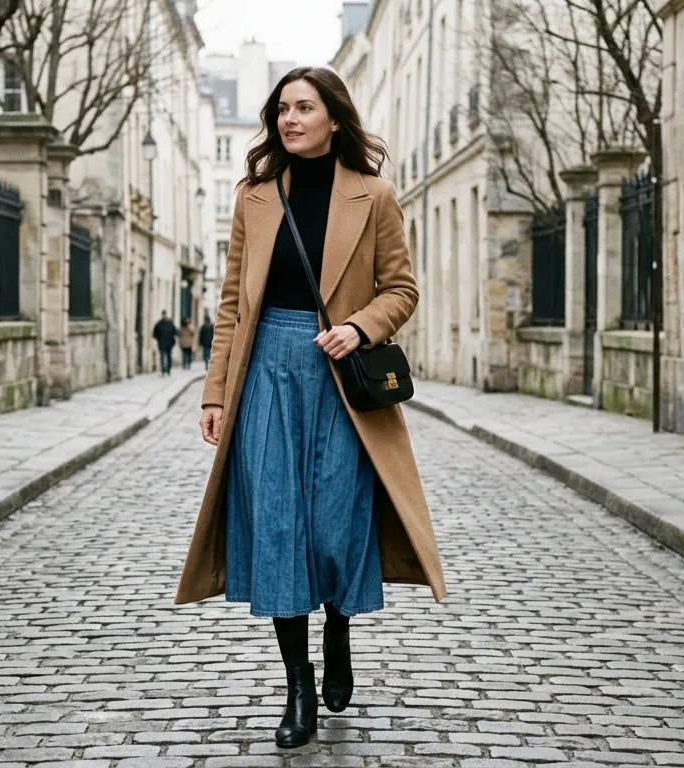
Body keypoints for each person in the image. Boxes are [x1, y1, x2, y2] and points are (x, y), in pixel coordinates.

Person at [175, 66, 445, 749]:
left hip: (340, 379)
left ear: (333, 116)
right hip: (267, 369)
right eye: (282, 109)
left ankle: (339, 627)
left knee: (335, 521)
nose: (290, 119)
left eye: (304, 107)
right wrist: (214, 393)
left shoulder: (375, 195)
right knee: (277, 526)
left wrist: (360, 326)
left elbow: (402, 290)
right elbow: (233, 305)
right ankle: (297, 684)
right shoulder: (255, 196)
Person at [152, 311, 177, 376]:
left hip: (169, 344)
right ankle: (163, 370)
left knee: (168, 357)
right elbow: (154, 334)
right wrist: (159, 339)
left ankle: (168, 370)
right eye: (163, 315)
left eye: (165, 315)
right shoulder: (158, 324)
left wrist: (172, 341)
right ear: (162, 315)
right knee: (162, 358)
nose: (164, 316)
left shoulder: (170, 324)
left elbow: (175, 332)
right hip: (162, 344)